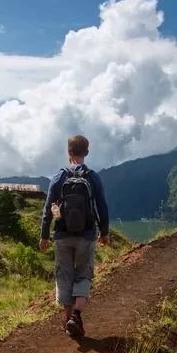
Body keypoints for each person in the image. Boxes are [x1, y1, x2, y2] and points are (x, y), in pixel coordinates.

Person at [39, 135, 110, 340]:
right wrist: (104, 233)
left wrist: (44, 235)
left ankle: (68, 319)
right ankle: (76, 316)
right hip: (86, 235)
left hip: (62, 235)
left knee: (64, 275)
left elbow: (48, 209)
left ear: (68, 152)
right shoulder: (93, 177)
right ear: (86, 152)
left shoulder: (58, 178)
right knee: (83, 274)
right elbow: (102, 207)